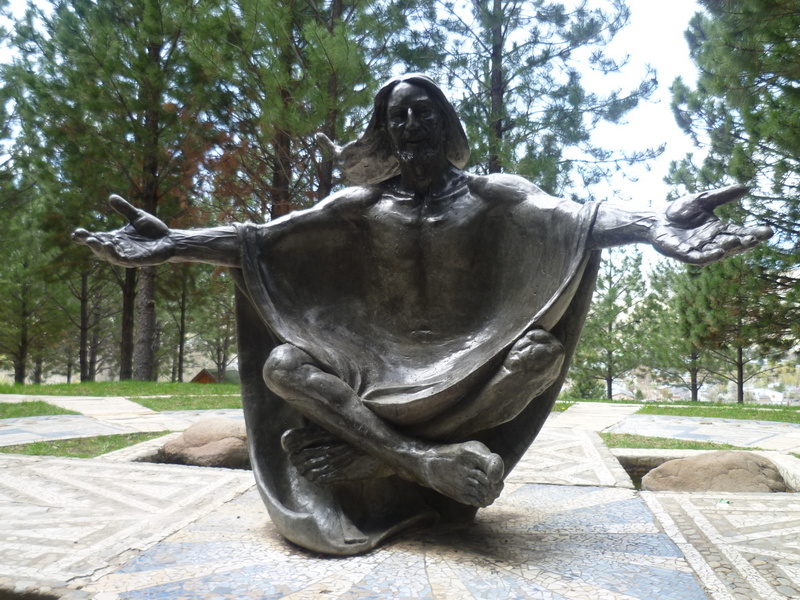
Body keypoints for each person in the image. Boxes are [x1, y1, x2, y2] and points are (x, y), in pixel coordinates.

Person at [74, 74, 771, 554]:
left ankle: (375, 453)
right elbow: (261, 240)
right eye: (398, 116)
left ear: (446, 123)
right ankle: (422, 462)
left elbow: (575, 219)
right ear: (384, 133)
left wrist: (655, 224)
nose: (411, 124)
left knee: (539, 355)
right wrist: (173, 243)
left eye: (424, 112)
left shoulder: (495, 194)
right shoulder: (359, 206)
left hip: (467, 368)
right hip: (375, 373)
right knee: (283, 365)